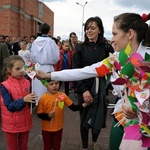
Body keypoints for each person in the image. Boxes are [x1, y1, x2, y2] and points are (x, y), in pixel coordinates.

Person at [36, 12, 150, 150]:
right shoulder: (117, 58)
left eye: (114, 34)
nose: (111, 39)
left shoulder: (146, 61)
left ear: (130, 34)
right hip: (119, 120)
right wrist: (49, 76)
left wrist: (139, 110)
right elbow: (83, 71)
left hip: (141, 130)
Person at [71, 16, 114, 150]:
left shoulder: (106, 47)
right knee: (84, 119)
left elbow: (115, 64)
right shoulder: (80, 47)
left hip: (100, 89)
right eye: (87, 28)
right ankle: (84, 146)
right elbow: (75, 70)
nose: (89, 30)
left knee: (99, 116)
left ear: (100, 30)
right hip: (83, 89)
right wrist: (84, 90)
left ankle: (95, 141)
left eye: (93, 28)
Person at [37, 79, 91, 150]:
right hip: (46, 129)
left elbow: (74, 108)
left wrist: (86, 104)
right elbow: (39, 114)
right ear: (46, 85)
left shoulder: (62, 96)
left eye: (56, 83)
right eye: (51, 84)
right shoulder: (43, 98)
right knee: (47, 147)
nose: (54, 86)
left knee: (57, 147)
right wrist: (47, 116)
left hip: (58, 128)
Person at [1, 55, 38, 150]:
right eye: (17, 68)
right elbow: (10, 106)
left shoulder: (27, 82)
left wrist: (32, 101)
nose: (21, 71)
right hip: (11, 124)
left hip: (25, 121)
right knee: (12, 147)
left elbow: (30, 104)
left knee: (23, 146)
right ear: (9, 70)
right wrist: (24, 100)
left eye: (23, 67)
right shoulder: (5, 86)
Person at [31, 23, 60, 106]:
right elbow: (56, 56)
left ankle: (38, 103)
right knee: (48, 87)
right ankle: (48, 104)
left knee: (38, 87)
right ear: (49, 31)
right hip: (48, 67)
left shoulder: (35, 42)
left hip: (38, 67)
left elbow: (32, 55)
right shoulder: (51, 42)